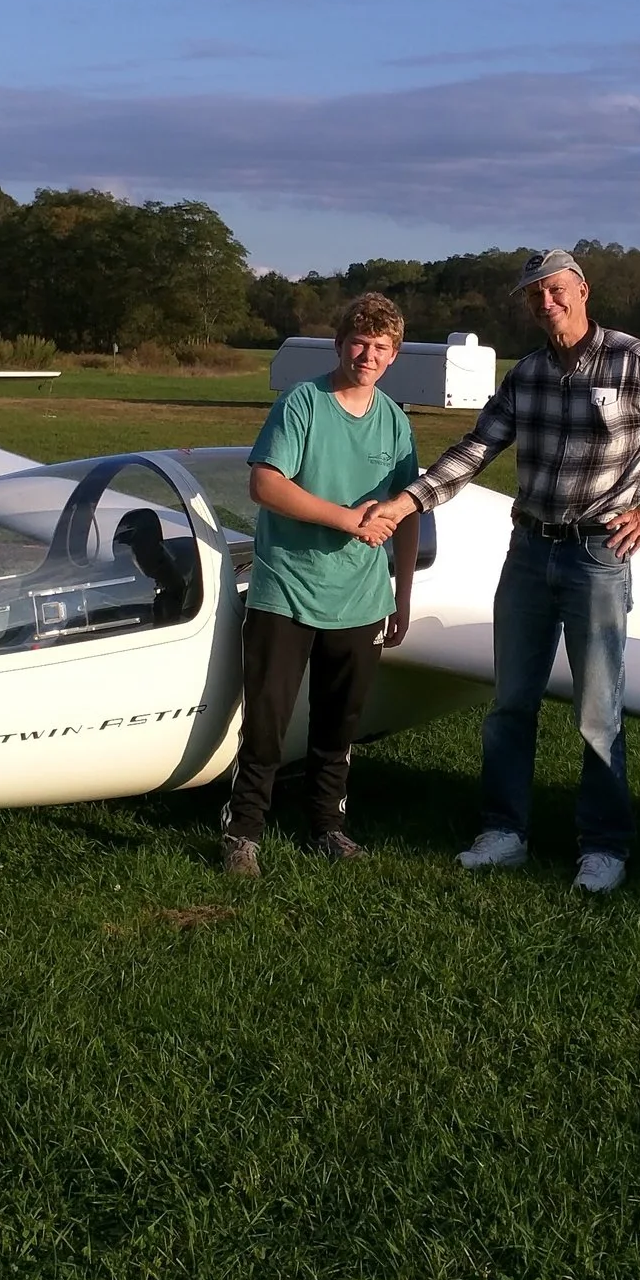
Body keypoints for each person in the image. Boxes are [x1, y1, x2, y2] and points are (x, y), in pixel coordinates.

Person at [365, 249, 640, 894]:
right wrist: (408, 500)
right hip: (528, 552)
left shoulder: (634, 361)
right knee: (510, 703)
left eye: (555, 290)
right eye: (534, 295)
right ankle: (503, 833)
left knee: (596, 709)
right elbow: (477, 448)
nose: (546, 302)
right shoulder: (526, 373)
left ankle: (604, 846)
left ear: (582, 291)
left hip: (598, 556)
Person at [221, 292, 422, 878]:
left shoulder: (395, 420)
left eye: (381, 347)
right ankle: (243, 833)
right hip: (286, 588)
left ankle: (328, 825)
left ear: (393, 357)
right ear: (339, 344)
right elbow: (265, 484)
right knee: (267, 720)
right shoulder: (302, 403)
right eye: (359, 342)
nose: (368, 354)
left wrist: (400, 595)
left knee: (339, 724)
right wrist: (346, 518)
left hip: (361, 598)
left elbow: (406, 512)